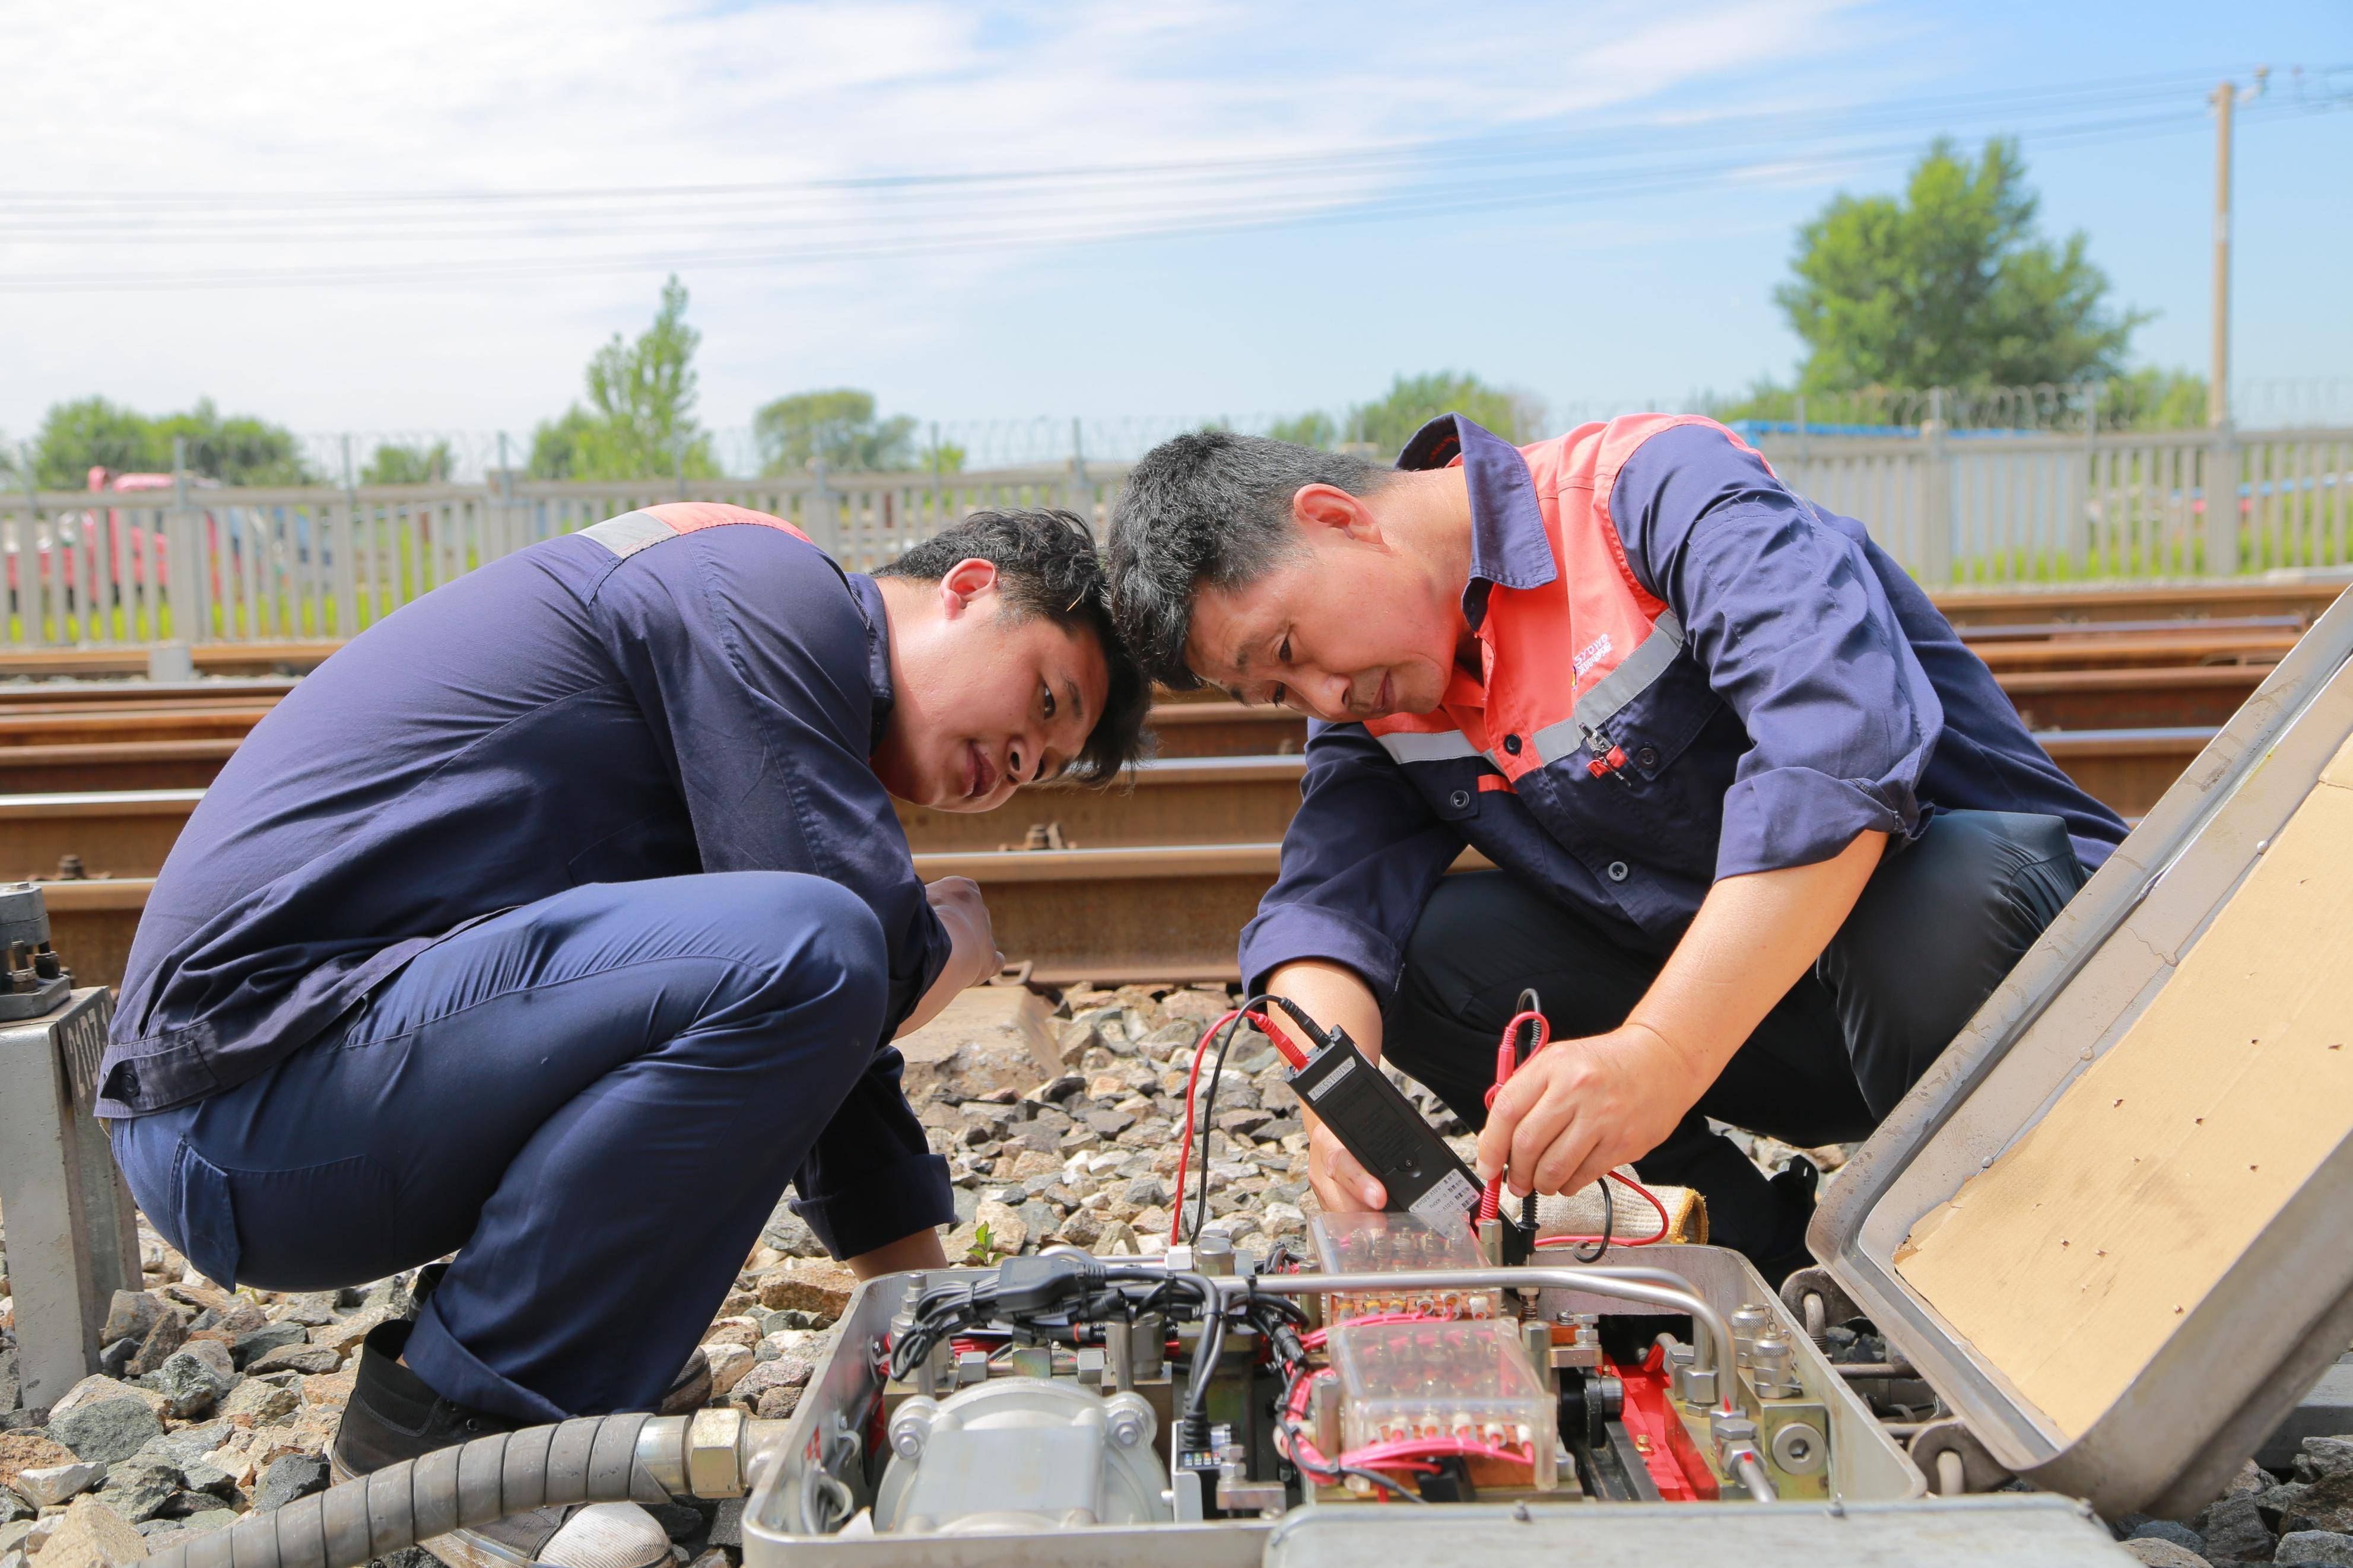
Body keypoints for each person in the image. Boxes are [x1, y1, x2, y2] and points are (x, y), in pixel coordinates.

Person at [100, 502, 1149, 1568]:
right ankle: (468, 1429)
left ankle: (553, 1391)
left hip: (304, 1107)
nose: (1019, 760)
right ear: (969, 589)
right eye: (1043, 699)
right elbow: (843, 950)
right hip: (249, 1099)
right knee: (818, 941)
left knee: (801, 955)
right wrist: (953, 948)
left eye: (1043, 764)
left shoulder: (758, 699)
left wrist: (939, 1330)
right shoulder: (767, 589)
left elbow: (823, 1043)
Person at [1108, 413, 2126, 1283]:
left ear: (1335, 519)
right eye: (1279, 694)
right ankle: (1760, 1267)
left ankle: (2003, 1270)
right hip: (1779, 1012)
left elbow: (1839, 753)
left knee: (1936, 895)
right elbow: (1328, 900)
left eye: (1287, 652)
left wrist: (1659, 1056)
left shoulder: (1648, 492)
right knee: (1420, 958)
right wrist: (1342, 1101)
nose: (1322, 697)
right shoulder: (1383, 696)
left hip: (2019, 978)